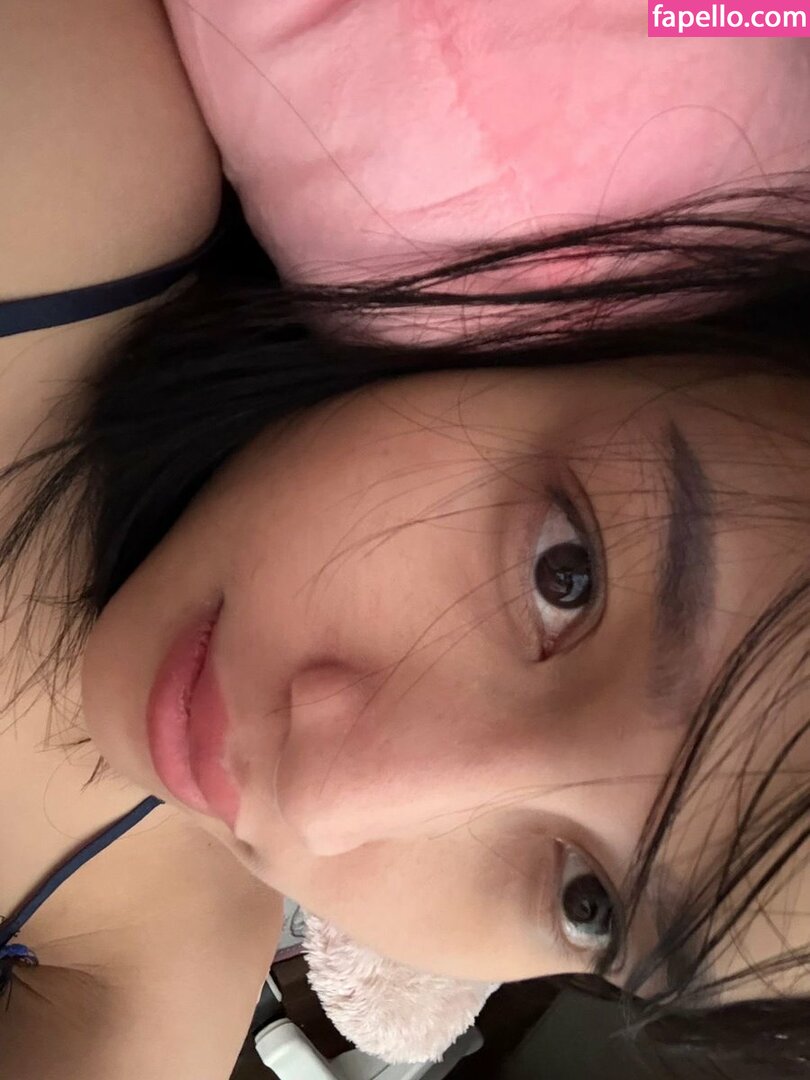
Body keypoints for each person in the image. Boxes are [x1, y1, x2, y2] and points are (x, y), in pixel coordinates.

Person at [0, 3, 808, 1079]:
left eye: (588, 904)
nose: (326, 797)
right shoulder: (59, 154)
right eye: (564, 573)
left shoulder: (155, 969)